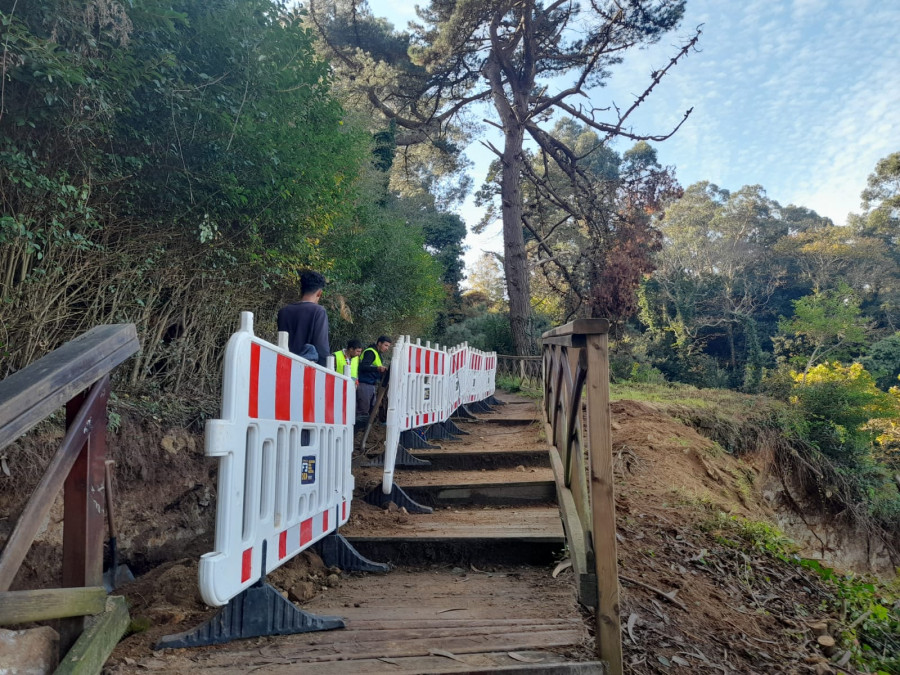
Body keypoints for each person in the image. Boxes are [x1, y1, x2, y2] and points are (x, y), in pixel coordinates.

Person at [277, 270, 329, 366]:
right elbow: (321, 347)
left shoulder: (283, 312)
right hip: (307, 369)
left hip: (284, 365)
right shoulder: (318, 311)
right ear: (319, 293)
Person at [356, 335, 392, 418]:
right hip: (364, 384)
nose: (387, 348)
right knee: (363, 410)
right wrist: (377, 368)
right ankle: (358, 429)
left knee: (371, 409)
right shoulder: (370, 352)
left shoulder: (377, 354)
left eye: (388, 346)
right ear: (379, 343)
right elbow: (363, 367)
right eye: (385, 345)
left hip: (371, 384)